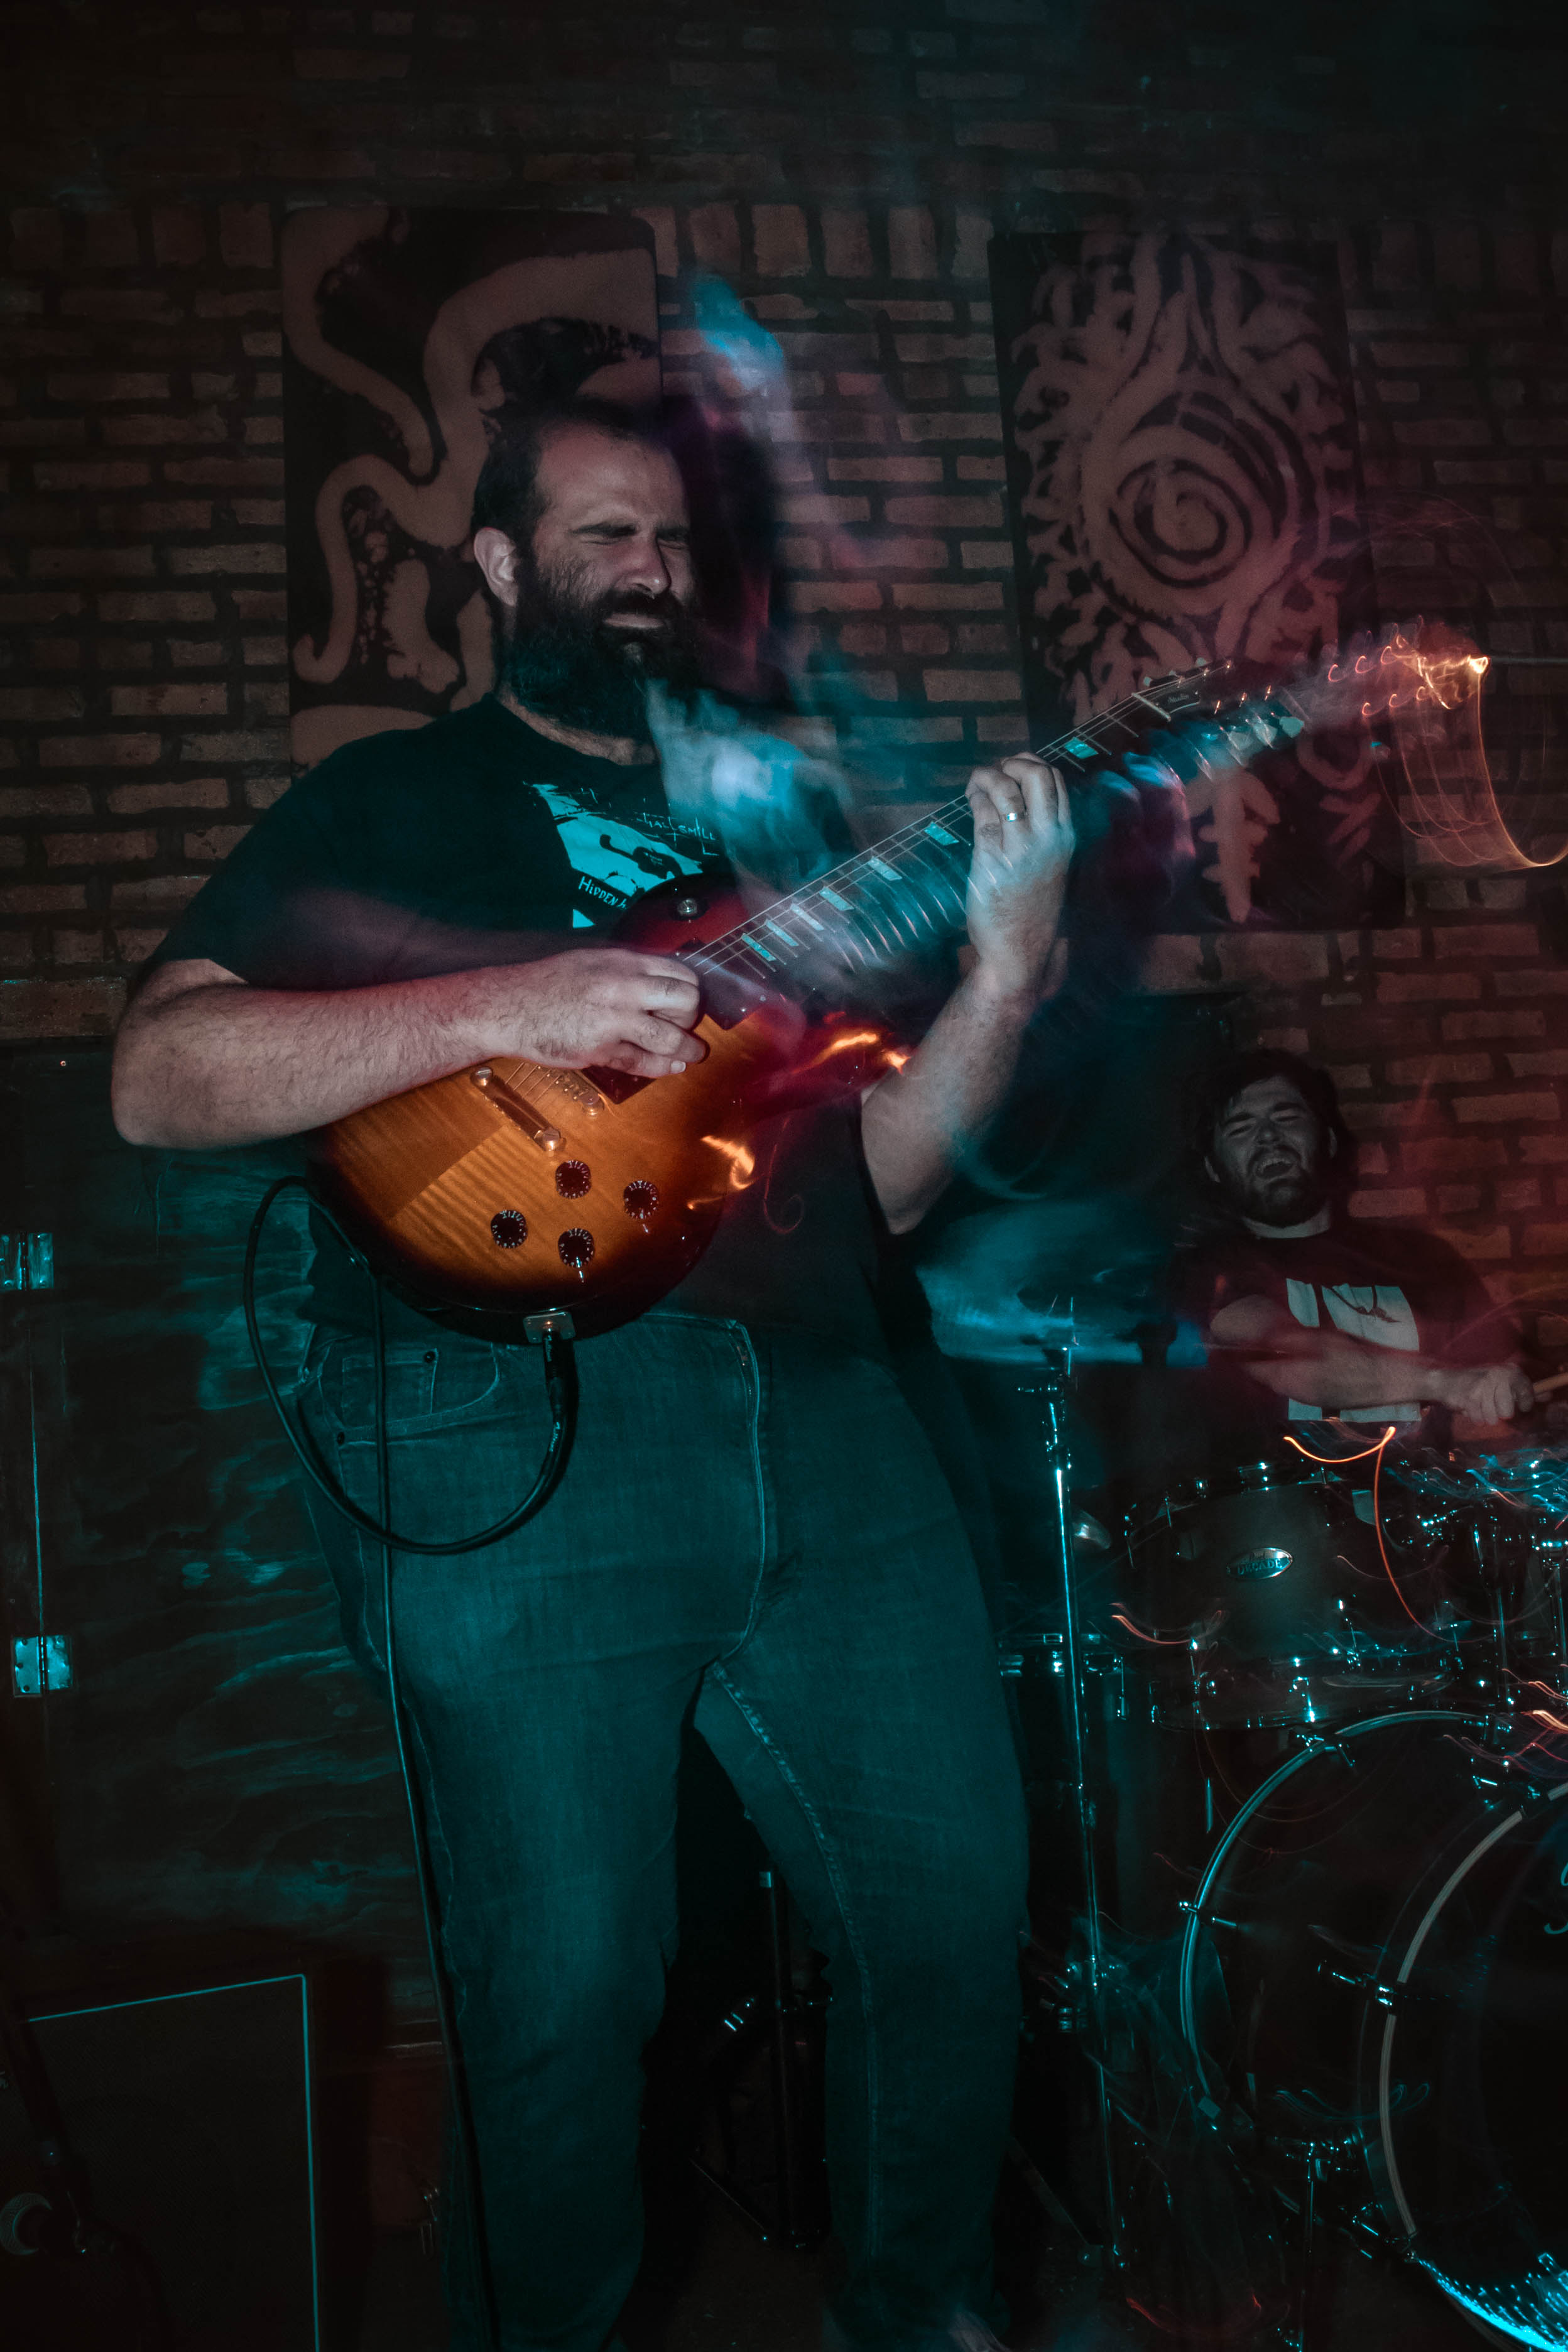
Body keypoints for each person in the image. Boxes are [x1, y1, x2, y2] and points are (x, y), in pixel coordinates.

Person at [110, 397, 1079, 2352]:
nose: (650, 570)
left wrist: (1004, 981)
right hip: (522, 1426)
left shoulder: (781, 835)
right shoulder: (393, 799)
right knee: (560, 2005)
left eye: (671, 542)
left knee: (955, 1929)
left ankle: (920, 2319)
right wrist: (517, 999)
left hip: (828, 1422)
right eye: (601, 536)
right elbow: (161, 1076)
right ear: (494, 570)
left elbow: (872, 1193)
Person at [1178, 1048, 1533, 1440]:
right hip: (1289, 1501)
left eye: (1287, 1117)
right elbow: (1288, 1356)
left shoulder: (1424, 1259)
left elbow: (1500, 1376)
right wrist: (1443, 1382)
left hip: (1429, 1497)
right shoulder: (1208, 1269)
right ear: (1213, 1168)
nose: (1268, 1137)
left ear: (1328, 1141)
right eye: (1240, 1128)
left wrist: (1509, 1392)